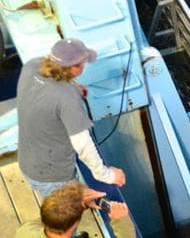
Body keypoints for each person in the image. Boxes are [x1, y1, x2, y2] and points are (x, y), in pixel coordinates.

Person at [17, 38, 126, 198]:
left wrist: (72, 86)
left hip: (27, 161)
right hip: (53, 178)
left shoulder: (32, 65)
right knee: (65, 217)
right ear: (75, 68)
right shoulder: (67, 98)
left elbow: (50, 87)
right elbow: (83, 146)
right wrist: (108, 175)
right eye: (82, 64)